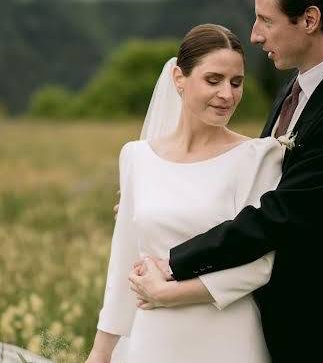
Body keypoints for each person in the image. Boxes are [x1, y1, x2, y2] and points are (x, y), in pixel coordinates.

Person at [129, 0, 323, 363]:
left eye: (266, 21)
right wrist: (157, 199)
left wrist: (174, 261)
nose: (255, 35)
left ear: (309, 20)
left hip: (312, 325)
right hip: (257, 316)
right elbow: (256, 180)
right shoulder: (298, 87)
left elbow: (280, 216)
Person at [85, 23, 286, 363]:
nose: (227, 94)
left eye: (236, 83)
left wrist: (170, 294)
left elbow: (258, 266)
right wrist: (100, 354)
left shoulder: (258, 157)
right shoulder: (136, 157)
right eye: (213, 80)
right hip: (154, 341)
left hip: (228, 340)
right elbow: (123, 265)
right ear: (179, 77)